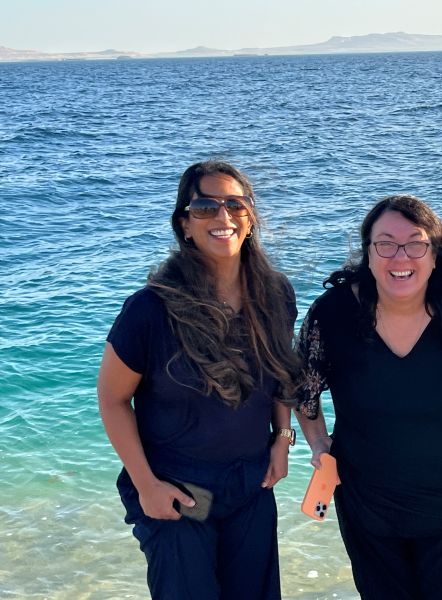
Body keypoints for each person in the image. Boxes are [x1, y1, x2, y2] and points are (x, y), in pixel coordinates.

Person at [294, 195, 442, 600]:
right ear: (368, 252)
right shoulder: (332, 313)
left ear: (435, 254)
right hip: (368, 502)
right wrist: (318, 445)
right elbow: (302, 390)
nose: (401, 257)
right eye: (385, 244)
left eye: (416, 244)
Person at [97, 160, 300, 599]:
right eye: (205, 207)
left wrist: (282, 439)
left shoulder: (275, 294)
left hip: (250, 485)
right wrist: (147, 485)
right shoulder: (150, 309)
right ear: (185, 225)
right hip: (177, 489)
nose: (223, 216)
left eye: (235, 205)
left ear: (250, 217)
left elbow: (282, 371)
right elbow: (112, 400)